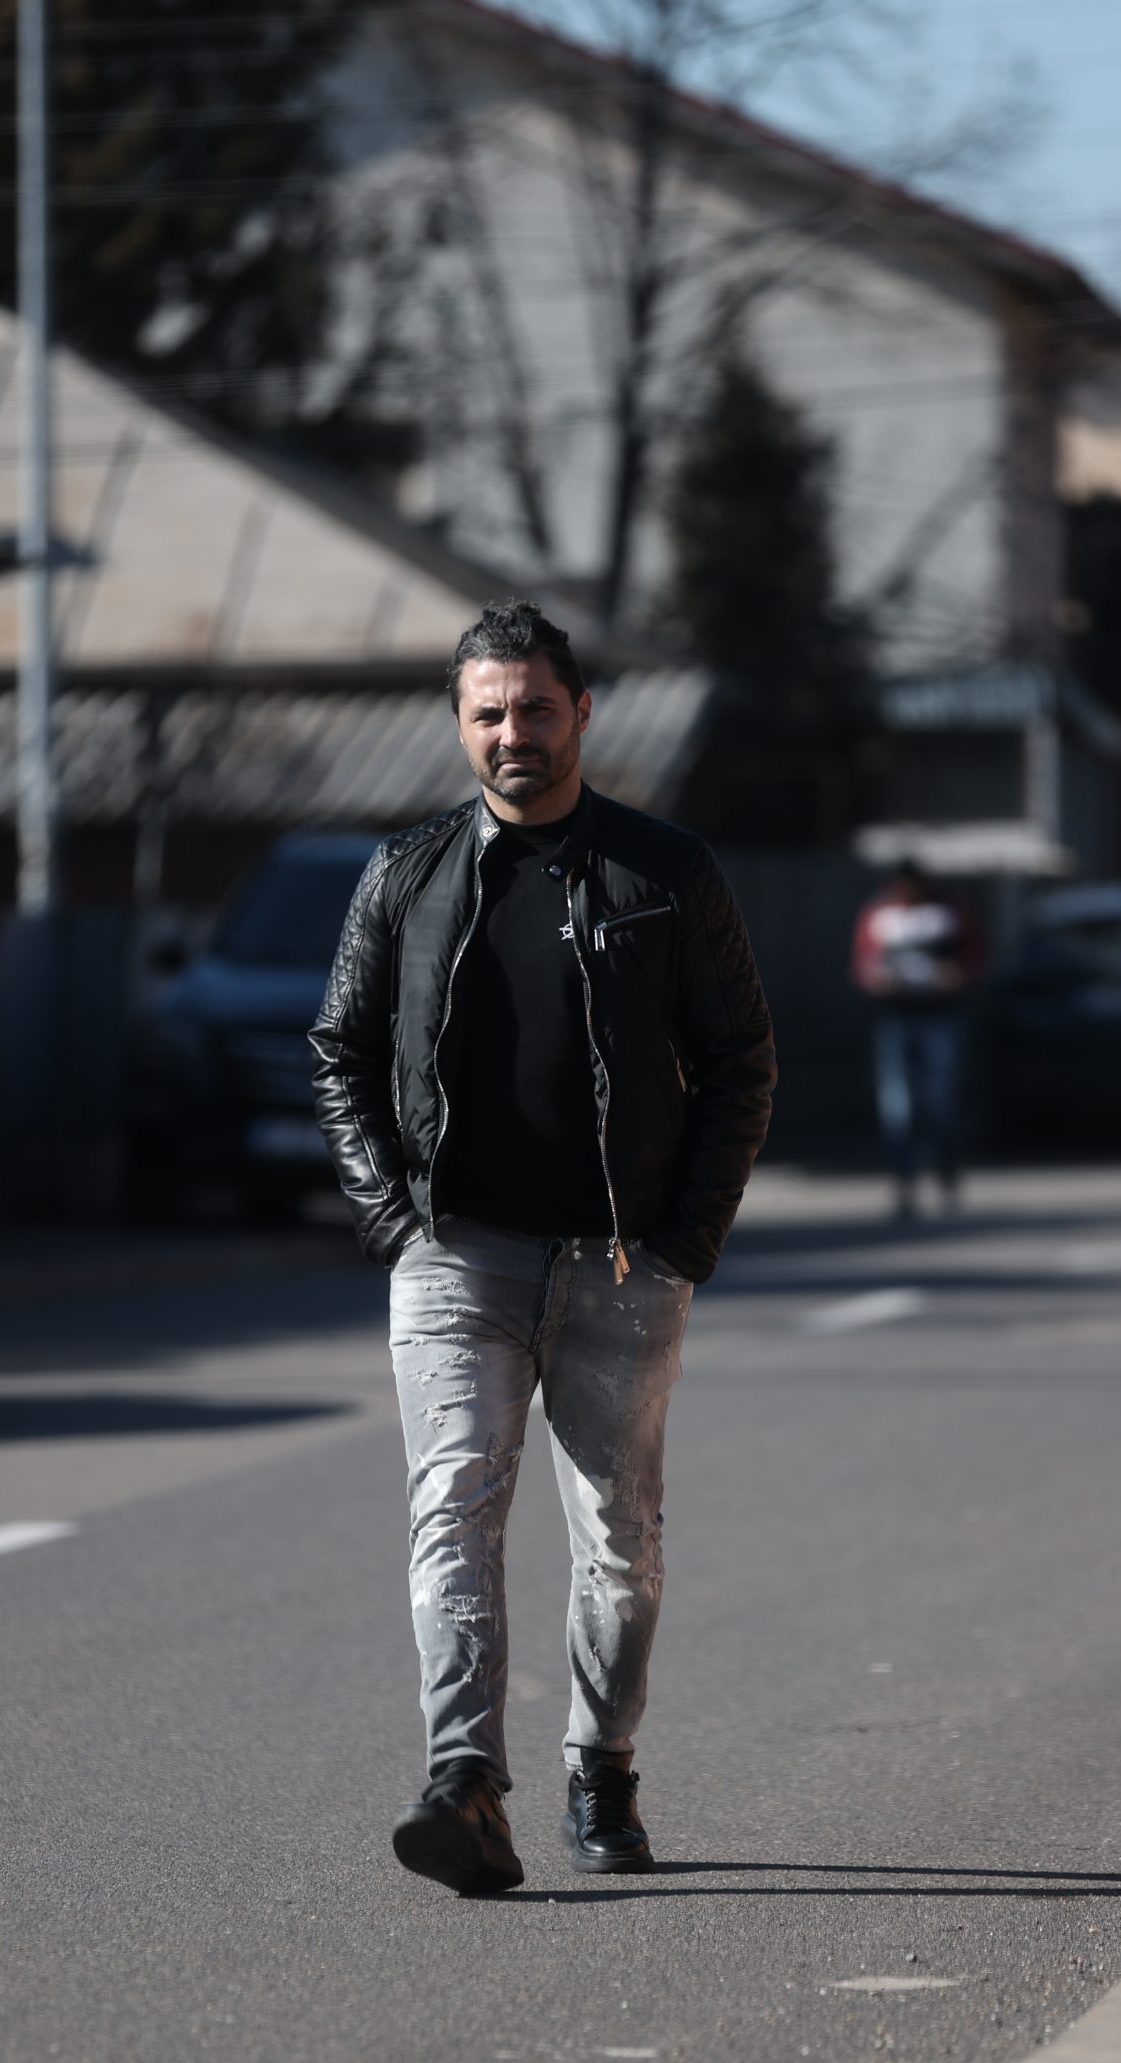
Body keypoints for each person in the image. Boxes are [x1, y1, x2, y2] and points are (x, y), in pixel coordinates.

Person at [311, 599, 776, 1895]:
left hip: (622, 1262)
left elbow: (740, 1059)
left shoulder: (663, 871)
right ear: (459, 725)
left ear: (580, 713)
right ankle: (462, 1780)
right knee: (451, 1508)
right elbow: (340, 1051)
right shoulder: (405, 874)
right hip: (455, 1256)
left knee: (618, 1537)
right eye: (488, 713)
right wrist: (392, 1220)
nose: (512, 732)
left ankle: (600, 1769)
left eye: (534, 708)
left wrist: (684, 1239)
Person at [851, 857, 981, 1219]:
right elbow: (862, 963)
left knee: (940, 1102)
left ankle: (947, 1176)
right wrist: (875, 980)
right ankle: (904, 1185)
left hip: (939, 1016)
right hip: (896, 1018)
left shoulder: (946, 912)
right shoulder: (880, 915)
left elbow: (973, 956)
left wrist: (955, 975)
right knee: (898, 1107)